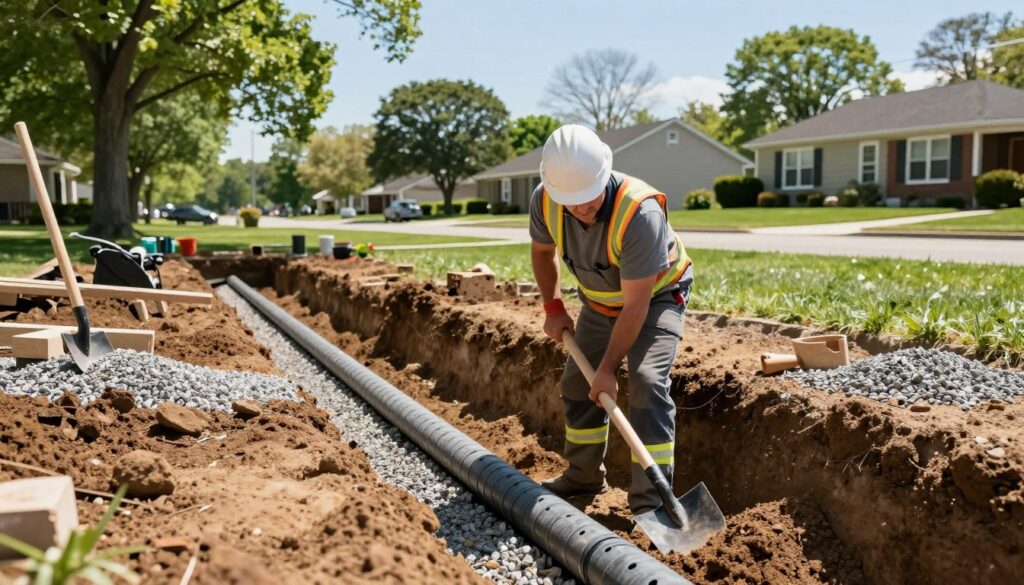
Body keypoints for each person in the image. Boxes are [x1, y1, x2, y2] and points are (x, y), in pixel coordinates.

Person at [529, 124, 694, 514]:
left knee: (646, 382)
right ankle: (583, 476)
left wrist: (607, 368)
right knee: (576, 383)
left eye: (589, 198)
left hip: (655, 299)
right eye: (573, 201)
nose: (582, 208)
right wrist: (553, 306)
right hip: (601, 302)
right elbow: (541, 253)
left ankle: (652, 505)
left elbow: (635, 306)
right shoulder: (546, 200)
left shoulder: (640, 213)